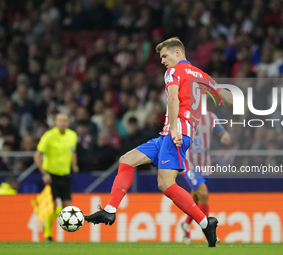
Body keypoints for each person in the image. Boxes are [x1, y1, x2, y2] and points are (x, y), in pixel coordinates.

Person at [84, 37, 233, 247]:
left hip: (175, 133)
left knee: (165, 183)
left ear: (178, 53)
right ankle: (109, 211)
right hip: (168, 135)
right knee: (126, 160)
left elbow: (173, 99)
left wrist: (174, 129)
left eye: (165, 55)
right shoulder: (201, 76)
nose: (162, 60)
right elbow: (227, 98)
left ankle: (204, 223)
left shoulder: (173, 72)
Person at [181, 111, 230, 244]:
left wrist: (225, 136)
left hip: (205, 166)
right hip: (189, 165)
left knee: (196, 198)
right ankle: (209, 230)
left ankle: (185, 225)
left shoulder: (210, 117)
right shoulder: (184, 116)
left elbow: (222, 132)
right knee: (203, 193)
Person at [34, 113, 78, 242]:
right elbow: (37, 156)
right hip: (51, 176)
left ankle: (55, 229)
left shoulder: (72, 136)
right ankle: (47, 235)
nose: (62, 123)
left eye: (65, 120)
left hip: (65, 175)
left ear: (68, 122)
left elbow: (73, 151)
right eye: (60, 120)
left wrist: (74, 165)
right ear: (55, 122)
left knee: (67, 207)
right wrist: (44, 173)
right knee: (52, 207)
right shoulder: (48, 136)